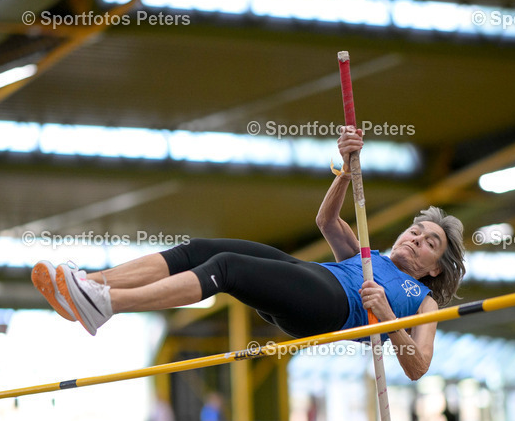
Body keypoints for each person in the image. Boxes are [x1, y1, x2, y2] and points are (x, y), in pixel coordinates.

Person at [31, 128, 466, 381]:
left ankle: (108, 305)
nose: (416, 238)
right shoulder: (369, 256)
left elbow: (418, 367)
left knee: (227, 269)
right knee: (202, 249)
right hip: (308, 278)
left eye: (430, 243)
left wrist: (388, 318)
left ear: (434, 269)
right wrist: (345, 171)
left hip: (328, 307)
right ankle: (87, 285)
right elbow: (327, 221)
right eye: (416, 230)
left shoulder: (424, 302)